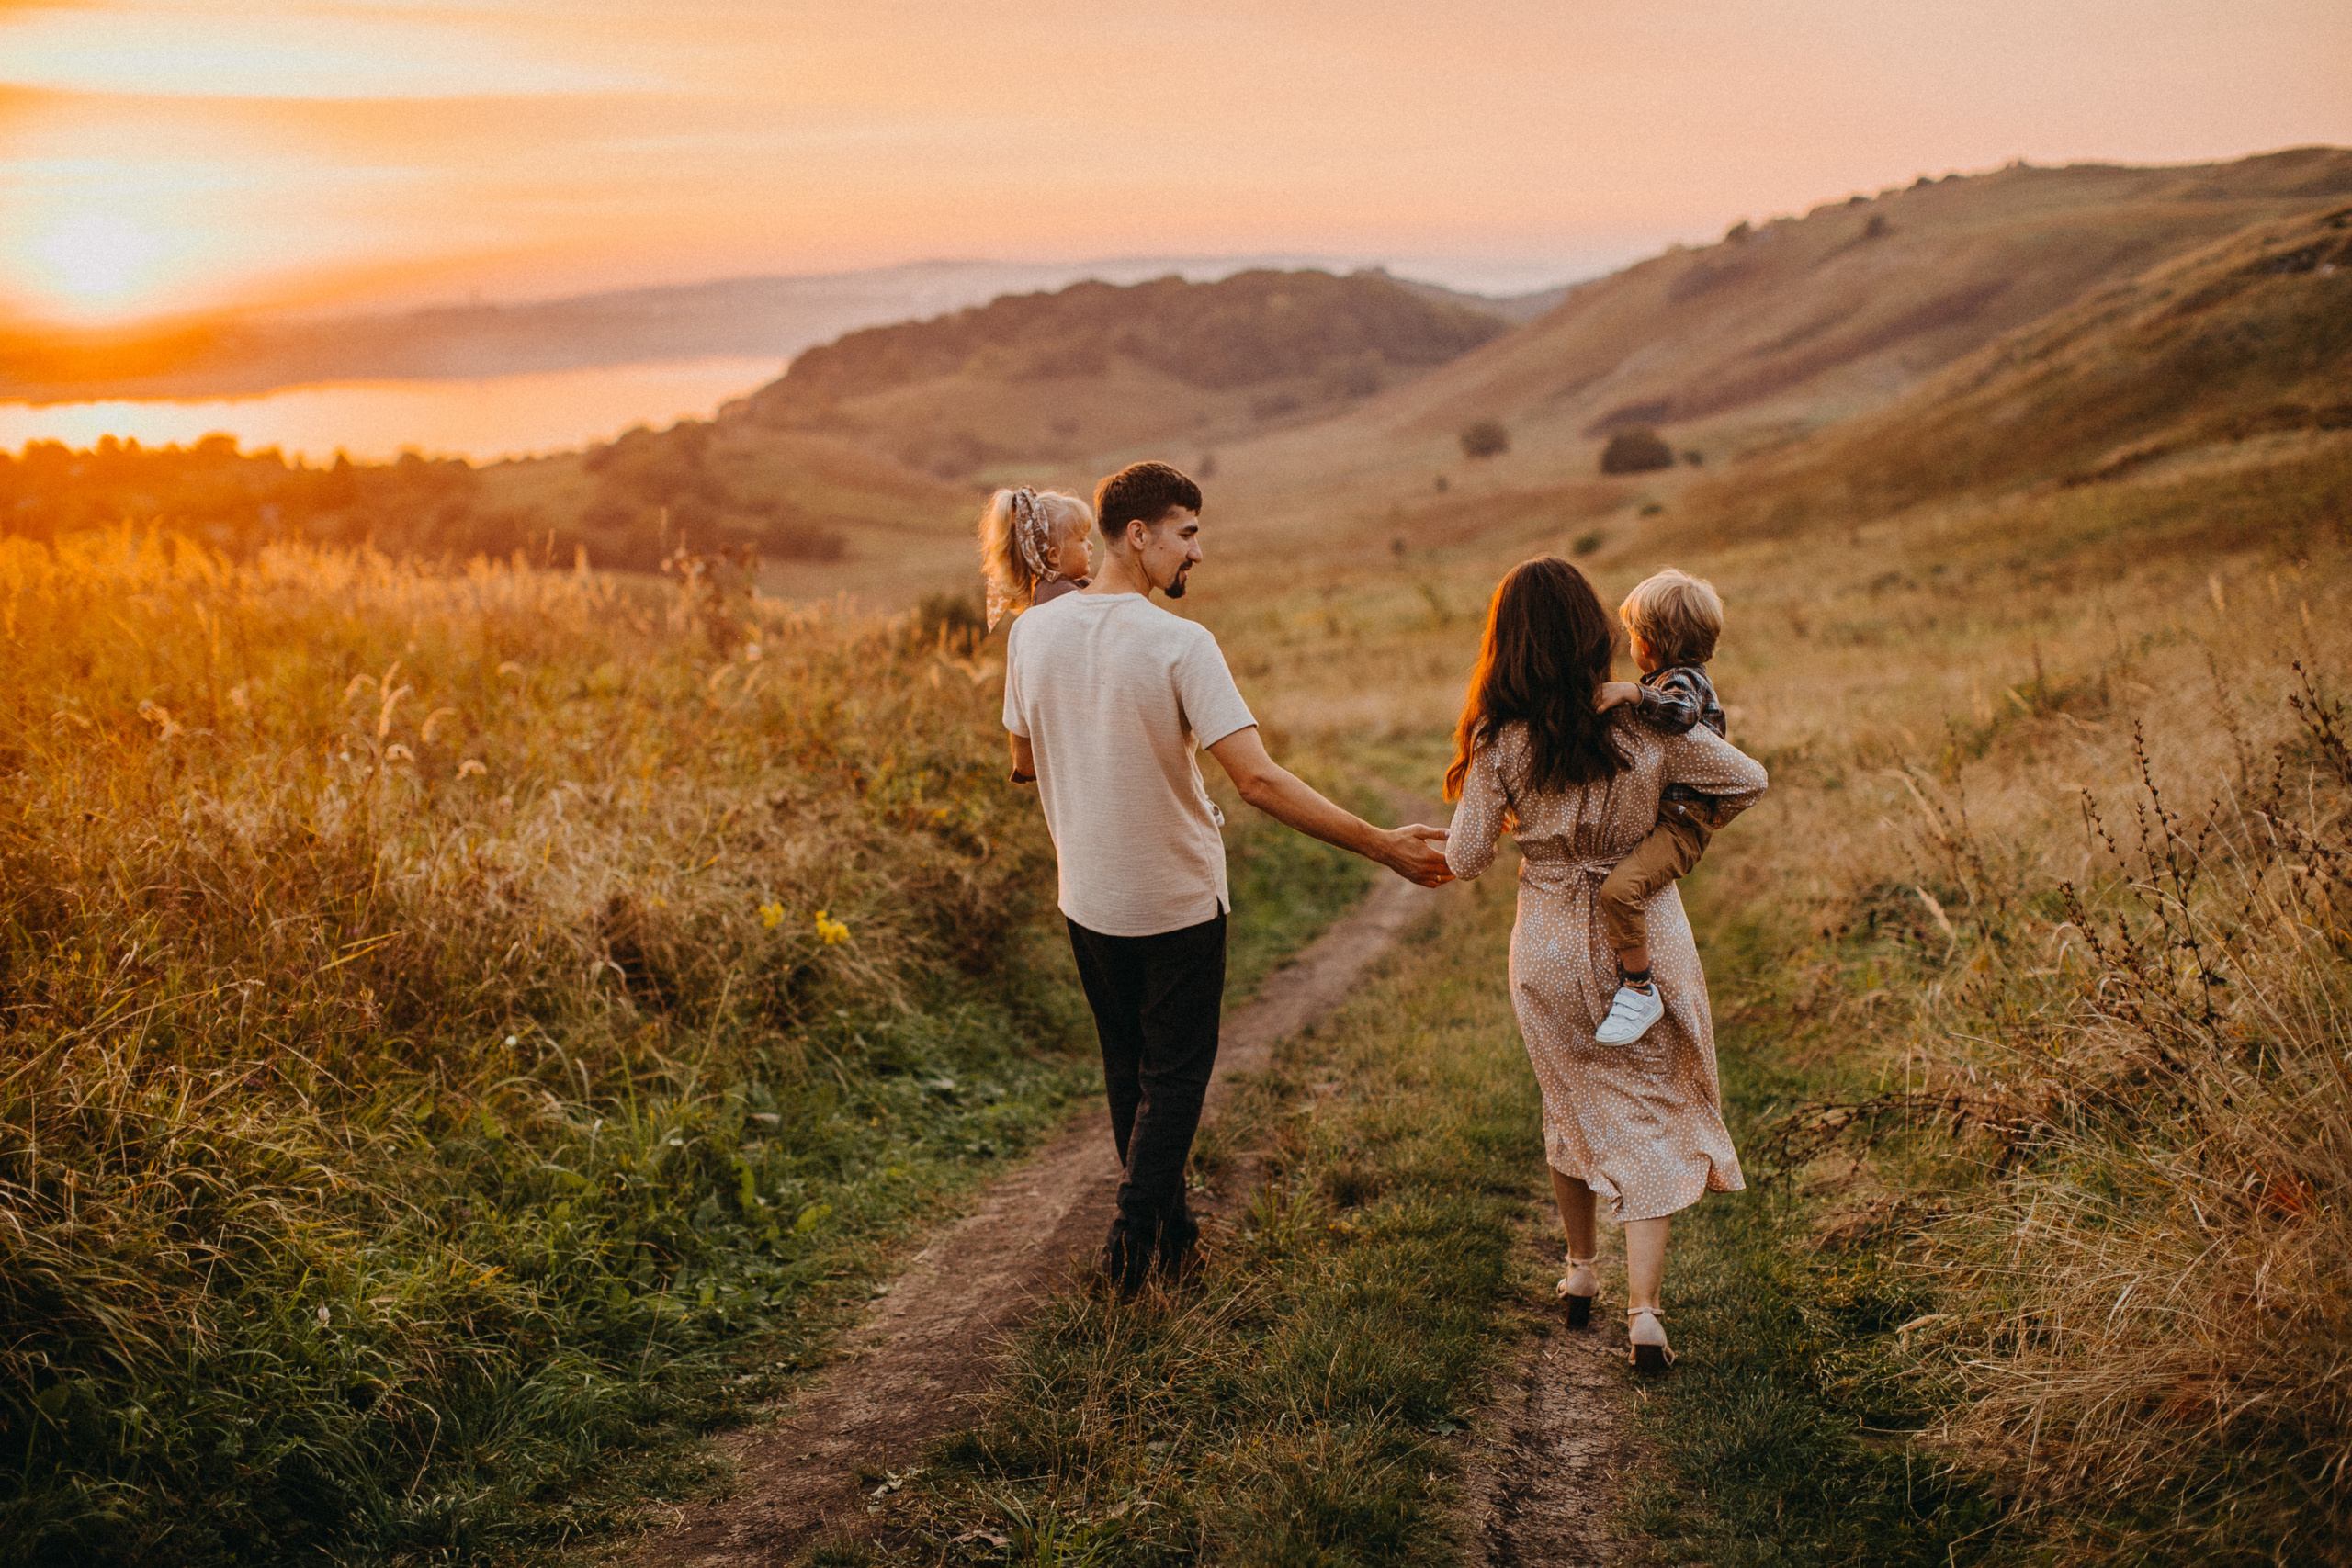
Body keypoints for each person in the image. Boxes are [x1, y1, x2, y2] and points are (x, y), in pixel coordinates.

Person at [1001, 460, 1453, 1293]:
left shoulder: (1029, 633)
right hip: (1174, 899)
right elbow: (1258, 780)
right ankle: (1132, 1249)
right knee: (1171, 1080)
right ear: (1138, 536)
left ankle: (1173, 1244)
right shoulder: (1180, 642)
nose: (1197, 553)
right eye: (1187, 533)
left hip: (1087, 897)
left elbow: (1022, 761)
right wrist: (1382, 844)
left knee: (1127, 1073)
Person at [1442, 557, 1766, 1371]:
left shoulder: (1501, 739)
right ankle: (1645, 1312)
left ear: (1505, 646)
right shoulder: (1646, 724)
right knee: (1647, 1111)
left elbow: (1466, 856)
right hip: (1644, 938)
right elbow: (1749, 779)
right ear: (1595, 632)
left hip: (1548, 941)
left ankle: (1580, 1272)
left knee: (1570, 1102)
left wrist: (1524, 824)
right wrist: (1677, 828)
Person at [1589, 568, 1732, 1046]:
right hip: (1669, 818)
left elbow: (1682, 715)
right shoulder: (1671, 680)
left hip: (1680, 827)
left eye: (1632, 634)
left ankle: (1639, 987)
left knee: (1618, 891)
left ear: (1649, 643)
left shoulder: (1685, 685)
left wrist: (1634, 692)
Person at [978, 486, 1095, 632]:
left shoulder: (1064, 585)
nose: (1090, 545)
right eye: (1082, 539)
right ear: (1054, 555)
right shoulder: (1058, 593)